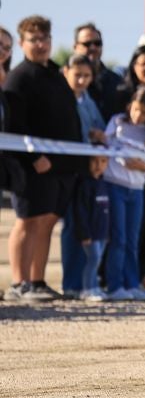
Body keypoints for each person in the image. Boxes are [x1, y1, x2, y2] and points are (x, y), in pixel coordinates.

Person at [4, 15, 86, 302]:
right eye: (34, 39)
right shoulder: (19, 77)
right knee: (27, 221)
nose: (41, 45)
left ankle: (37, 281)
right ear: (22, 43)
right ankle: (18, 283)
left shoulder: (55, 74)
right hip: (31, 167)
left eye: (45, 39)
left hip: (60, 167)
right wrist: (34, 157)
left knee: (47, 222)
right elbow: (15, 123)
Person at [103, 87, 145, 300]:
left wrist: (141, 165)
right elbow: (108, 145)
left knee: (132, 239)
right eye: (136, 109)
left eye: (144, 112)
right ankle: (115, 284)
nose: (138, 116)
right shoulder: (117, 122)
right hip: (115, 184)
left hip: (137, 189)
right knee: (118, 238)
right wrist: (124, 160)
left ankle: (132, 283)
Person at [59, 55, 106, 297]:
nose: (81, 80)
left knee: (89, 229)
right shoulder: (60, 98)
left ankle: (86, 284)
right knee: (73, 228)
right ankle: (71, 284)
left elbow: (97, 126)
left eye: (86, 76)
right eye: (77, 74)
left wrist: (98, 135)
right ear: (65, 71)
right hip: (68, 170)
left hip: (88, 172)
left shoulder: (89, 100)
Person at [70, 155, 111, 301]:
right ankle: (87, 289)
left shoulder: (103, 183)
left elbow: (106, 211)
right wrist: (84, 233)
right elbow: (80, 211)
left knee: (97, 261)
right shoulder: (84, 184)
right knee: (92, 260)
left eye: (103, 161)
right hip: (90, 233)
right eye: (94, 161)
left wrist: (107, 233)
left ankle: (95, 287)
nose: (98, 165)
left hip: (101, 233)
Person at [74, 22, 124, 122]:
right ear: (75, 47)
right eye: (87, 44)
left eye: (97, 43)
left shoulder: (117, 82)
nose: (93, 48)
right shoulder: (62, 80)